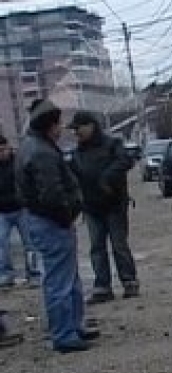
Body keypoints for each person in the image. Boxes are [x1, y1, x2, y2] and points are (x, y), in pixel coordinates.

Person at [14, 98, 99, 353]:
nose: (61, 128)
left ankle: (72, 327)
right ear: (49, 125)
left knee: (66, 277)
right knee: (60, 281)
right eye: (57, 123)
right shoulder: (41, 152)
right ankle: (64, 333)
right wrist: (68, 213)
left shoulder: (32, 146)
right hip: (52, 222)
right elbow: (51, 194)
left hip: (46, 221)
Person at [68, 111, 139, 304]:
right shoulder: (77, 153)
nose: (76, 133)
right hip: (91, 208)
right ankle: (102, 286)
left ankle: (129, 281)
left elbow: (125, 161)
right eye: (74, 130)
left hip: (114, 204)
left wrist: (107, 178)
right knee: (97, 248)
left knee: (119, 245)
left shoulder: (112, 144)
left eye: (78, 128)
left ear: (91, 126)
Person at [0, 135, 41, 288]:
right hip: (2, 211)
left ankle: (34, 274)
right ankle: (5, 274)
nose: (2, 153)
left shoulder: (19, 162)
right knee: (1, 244)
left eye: (4, 149)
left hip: (21, 208)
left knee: (30, 244)